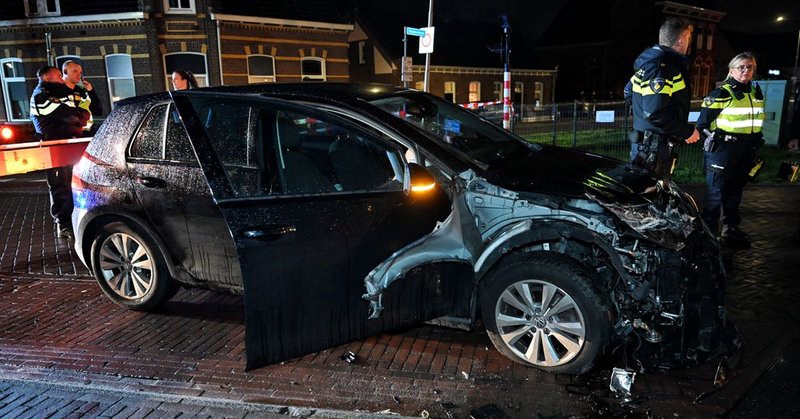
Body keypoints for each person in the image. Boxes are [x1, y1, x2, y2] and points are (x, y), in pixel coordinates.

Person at [696, 52, 765, 249]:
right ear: (731, 70)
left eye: (749, 67)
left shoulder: (755, 93)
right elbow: (702, 124)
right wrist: (714, 143)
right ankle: (708, 233)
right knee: (716, 192)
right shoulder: (721, 93)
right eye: (741, 67)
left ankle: (730, 228)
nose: (745, 71)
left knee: (735, 191)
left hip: (746, 149)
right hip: (723, 150)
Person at [627, 17, 700, 178]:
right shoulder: (662, 67)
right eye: (689, 38)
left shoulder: (650, 63)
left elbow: (628, 91)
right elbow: (655, 111)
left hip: (647, 144)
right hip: (653, 149)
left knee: (644, 188)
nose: (689, 43)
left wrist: (642, 119)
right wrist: (686, 131)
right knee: (650, 190)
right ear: (681, 40)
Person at [29, 65, 90, 239]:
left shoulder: (58, 93)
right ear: (46, 77)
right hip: (55, 149)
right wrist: (78, 116)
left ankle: (74, 221)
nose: (61, 78)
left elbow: (81, 113)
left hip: (68, 147)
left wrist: (79, 115)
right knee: (60, 187)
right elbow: (68, 115)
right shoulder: (41, 95)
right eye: (57, 75)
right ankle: (63, 224)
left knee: (73, 185)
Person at [62, 60, 103, 135]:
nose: (79, 75)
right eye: (75, 71)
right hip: (69, 134)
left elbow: (97, 111)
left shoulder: (82, 91)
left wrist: (91, 91)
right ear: (65, 71)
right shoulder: (58, 90)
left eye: (80, 72)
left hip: (87, 132)